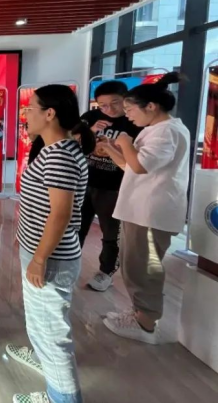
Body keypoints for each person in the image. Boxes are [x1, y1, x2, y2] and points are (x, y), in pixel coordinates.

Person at [7, 85, 94, 404]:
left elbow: (60, 214)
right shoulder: (53, 150)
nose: (25, 114)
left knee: (51, 332)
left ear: (50, 113)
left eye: (30, 108)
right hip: (41, 250)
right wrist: (26, 240)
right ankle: (43, 361)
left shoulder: (60, 155)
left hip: (52, 258)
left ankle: (62, 397)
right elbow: (42, 205)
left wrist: (40, 258)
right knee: (40, 323)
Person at [99, 73, 190, 345]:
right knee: (134, 265)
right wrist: (112, 149)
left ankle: (146, 324)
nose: (127, 115)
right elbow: (130, 166)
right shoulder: (157, 129)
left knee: (143, 269)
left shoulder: (167, 131)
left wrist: (125, 142)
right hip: (140, 209)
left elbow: (139, 165)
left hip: (151, 212)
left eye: (129, 109)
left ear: (151, 106)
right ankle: (139, 313)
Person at [78, 81, 142, 292]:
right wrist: (90, 131)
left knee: (111, 233)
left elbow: (137, 160)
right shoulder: (91, 117)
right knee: (76, 227)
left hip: (114, 187)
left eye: (115, 102)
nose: (109, 109)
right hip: (84, 182)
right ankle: (69, 263)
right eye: (103, 105)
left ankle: (105, 272)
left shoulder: (135, 121)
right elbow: (73, 141)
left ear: (126, 99)